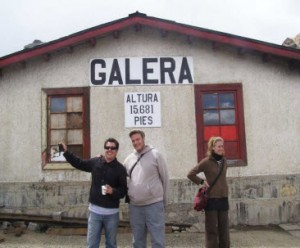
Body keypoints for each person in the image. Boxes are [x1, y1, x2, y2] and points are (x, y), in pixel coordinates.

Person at [60, 138, 127, 248]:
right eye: (107, 147)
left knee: (111, 244)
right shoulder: (96, 162)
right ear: (104, 149)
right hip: (95, 213)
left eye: (112, 148)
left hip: (111, 214)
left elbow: (123, 191)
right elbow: (79, 163)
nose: (109, 150)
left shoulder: (120, 169)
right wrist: (66, 152)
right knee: (91, 245)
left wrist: (113, 191)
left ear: (117, 150)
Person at [123, 130, 169, 248]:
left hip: (154, 204)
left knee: (157, 240)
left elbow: (165, 178)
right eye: (133, 141)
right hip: (135, 206)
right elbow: (119, 175)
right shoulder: (129, 159)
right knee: (137, 241)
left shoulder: (156, 155)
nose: (135, 142)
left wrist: (165, 200)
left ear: (143, 139)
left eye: (138, 139)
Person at [187, 136, 230, 248]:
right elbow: (190, 174)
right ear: (213, 148)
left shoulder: (224, 161)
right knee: (212, 230)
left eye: (222, 146)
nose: (221, 148)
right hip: (211, 199)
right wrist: (201, 181)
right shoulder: (206, 162)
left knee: (224, 229)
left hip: (223, 198)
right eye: (219, 146)